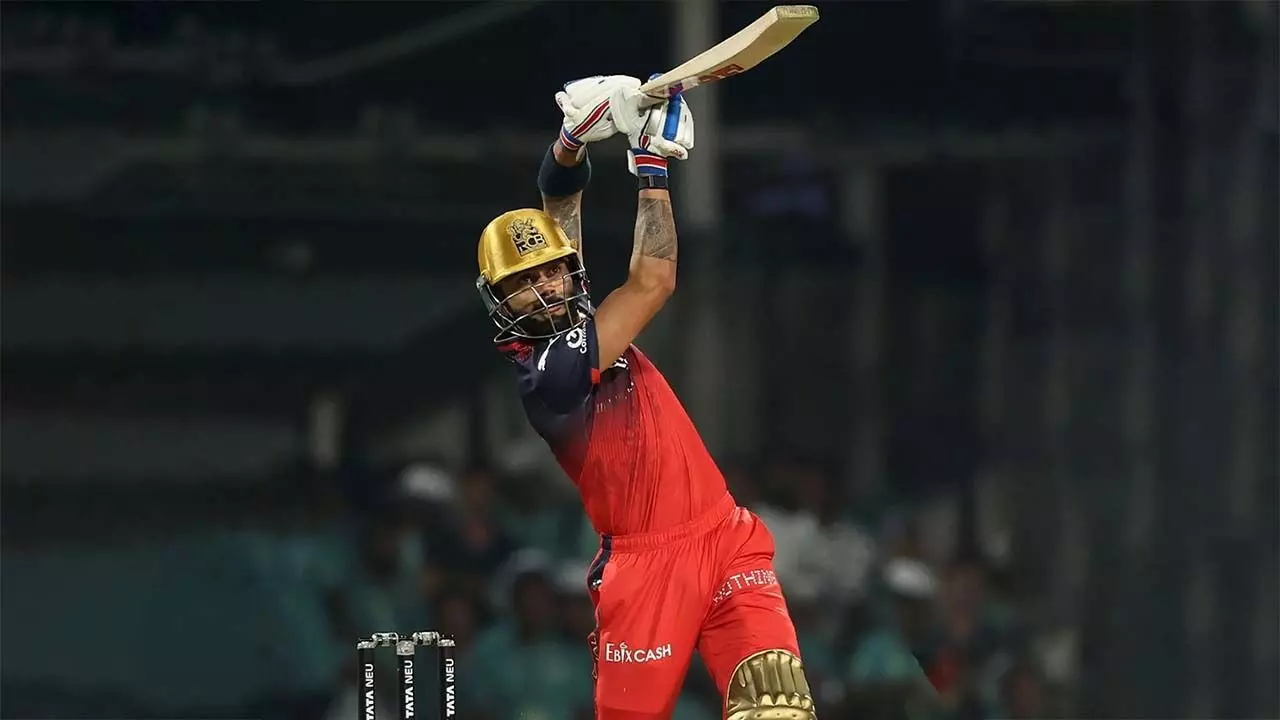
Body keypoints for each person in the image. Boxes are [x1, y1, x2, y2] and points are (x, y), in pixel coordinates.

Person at [474, 75, 816, 719]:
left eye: (551, 271)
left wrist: (572, 140)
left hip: (726, 537)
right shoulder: (550, 373)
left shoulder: (579, 316)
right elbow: (654, 281)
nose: (544, 289)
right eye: (523, 283)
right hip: (644, 571)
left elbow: (558, 199)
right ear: (500, 301)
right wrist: (650, 164)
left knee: (778, 707)